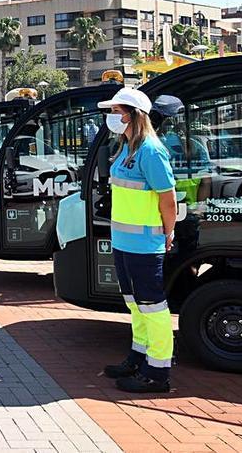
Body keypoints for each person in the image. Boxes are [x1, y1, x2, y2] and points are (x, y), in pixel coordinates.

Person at [98, 87, 178, 393]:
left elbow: (167, 199)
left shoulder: (151, 151)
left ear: (134, 115)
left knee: (152, 307)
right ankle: (139, 356)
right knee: (135, 305)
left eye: (117, 112)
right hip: (124, 243)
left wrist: (168, 232)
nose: (112, 117)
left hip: (145, 246)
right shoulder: (126, 149)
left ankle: (158, 372)